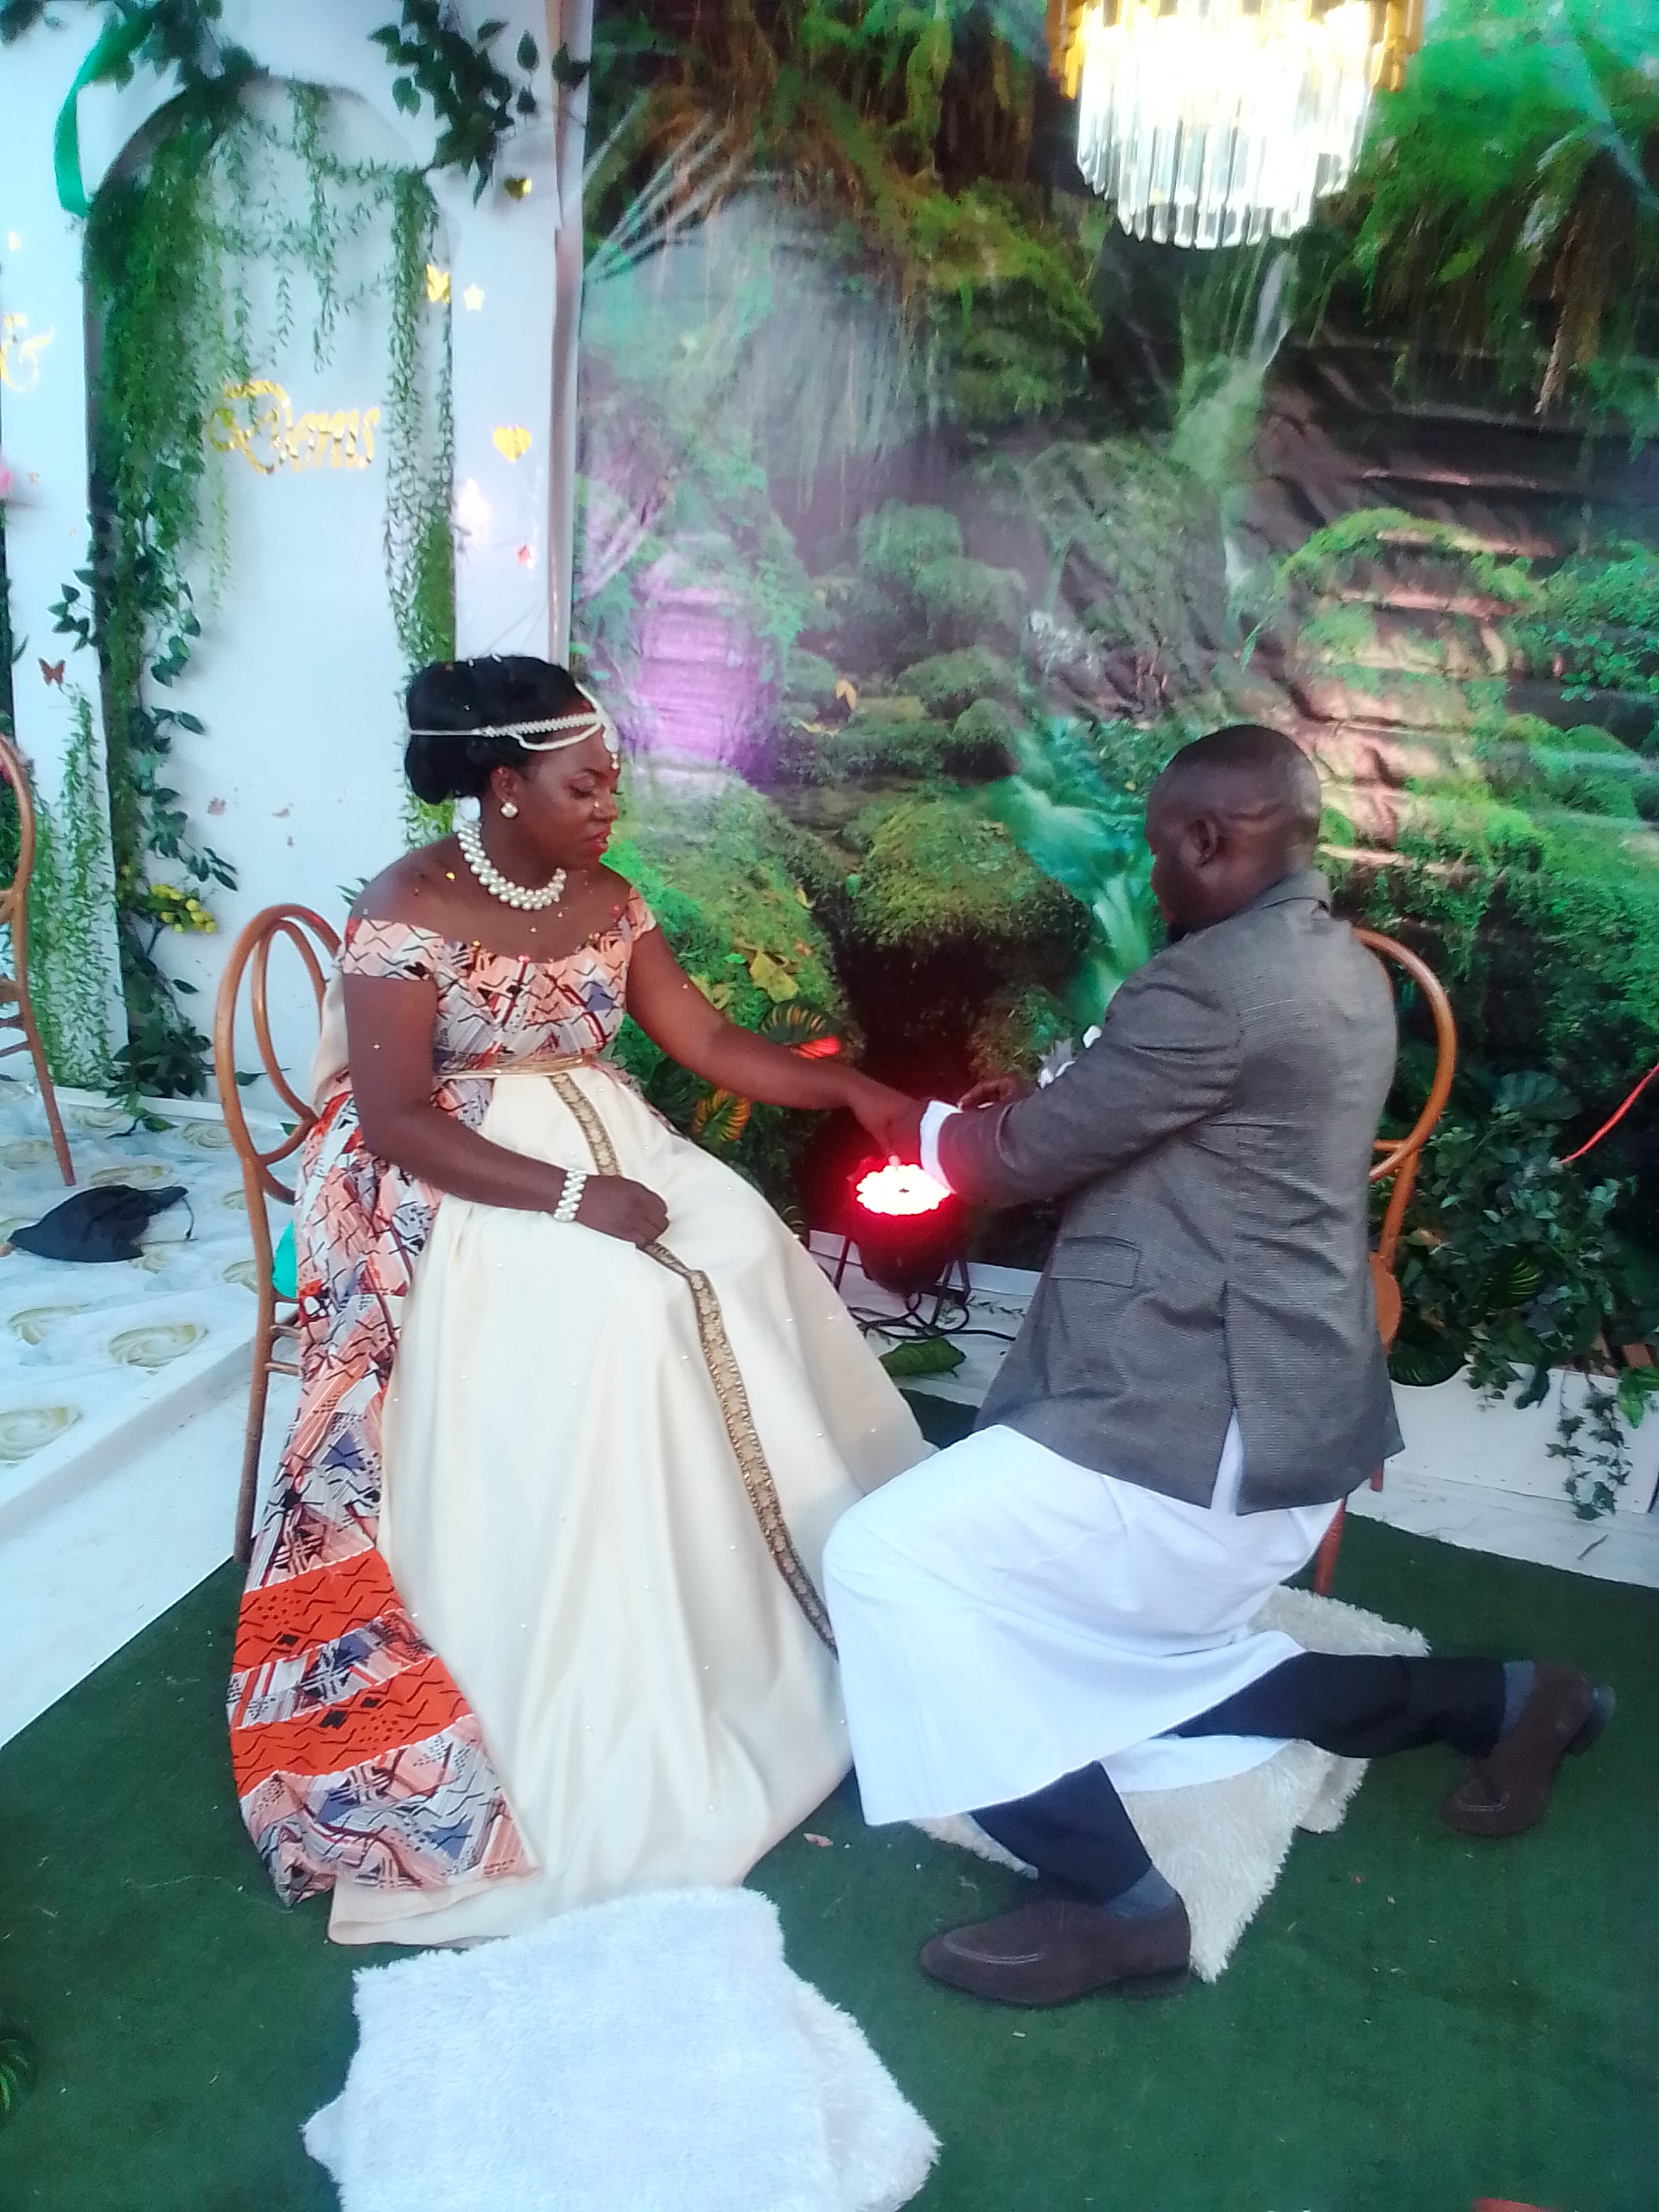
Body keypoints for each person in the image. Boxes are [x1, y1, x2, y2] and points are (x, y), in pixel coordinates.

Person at [827, 723, 1613, 2006]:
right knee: (1124, 1674)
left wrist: (909, 1121)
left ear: (1207, 839)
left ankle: (1116, 1898)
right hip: (1294, 1418)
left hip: (1202, 1430)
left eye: (1158, 854)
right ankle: (1512, 1697)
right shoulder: (1339, 960)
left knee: (887, 1559)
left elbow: (1024, 1158)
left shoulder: (1209, 987)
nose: (1147, 879)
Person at [229, 654, 927, 1944]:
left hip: (613, 1141)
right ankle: (635, 1649)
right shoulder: (404, 907)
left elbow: (704, 1043)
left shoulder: (608, 898)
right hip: (455, 1175)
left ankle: (781, 1615)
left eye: (613, 784)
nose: (612, 808)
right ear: (504, 785)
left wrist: (849, 1089)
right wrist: (566, 1197)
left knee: (743, 1246)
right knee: (628, 1315)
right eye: (586, 786)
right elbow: (394, 1116)